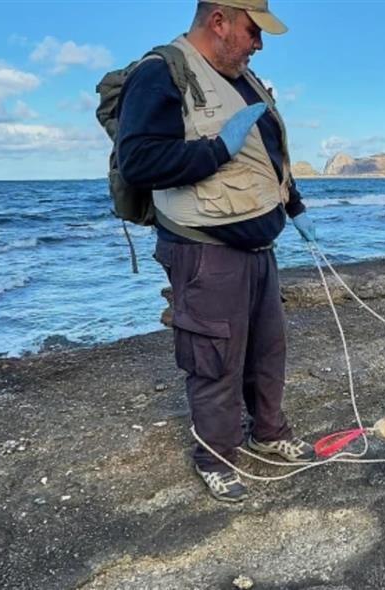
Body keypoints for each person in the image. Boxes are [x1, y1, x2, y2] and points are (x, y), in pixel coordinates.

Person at [117, 0, 317, 503]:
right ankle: (216, 456)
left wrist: (295, 207)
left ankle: (267, 434)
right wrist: (216, 149)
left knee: (267, 349)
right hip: (203, 249)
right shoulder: (161, 71)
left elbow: (267, 159)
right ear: (219, 21)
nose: (259, 43)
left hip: (260, 248)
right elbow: (138, 161)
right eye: (254, 31)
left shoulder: (244, 78)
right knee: (216, 358)